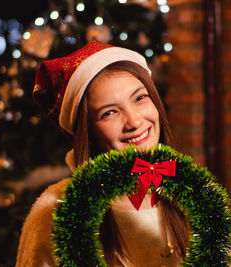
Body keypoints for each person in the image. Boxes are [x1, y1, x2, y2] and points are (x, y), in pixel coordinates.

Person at [16, 41, 190, 266]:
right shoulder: (54, 212)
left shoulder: (192, 195)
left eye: (139, 98)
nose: (135, 121)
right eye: (109, 112)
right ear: (88, 132)